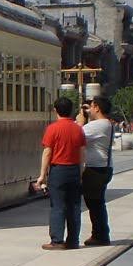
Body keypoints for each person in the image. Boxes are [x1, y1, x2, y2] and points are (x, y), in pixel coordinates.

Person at [35, 96, 86, 251]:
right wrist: (81, 171)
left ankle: (57, 240)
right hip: (74, 170)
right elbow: (82, 152)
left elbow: (47, 152)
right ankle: (73, 240)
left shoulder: (53, 128)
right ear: (71, 111)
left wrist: (42, 175)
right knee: (74, 206)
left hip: (58, 170)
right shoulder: (78, 129)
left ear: (55, 110)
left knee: (58, 206)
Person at [79, 96, 114, 246]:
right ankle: (100, 233)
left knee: (95, 203)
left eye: (91, 107)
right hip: (102, 167)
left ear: (97, 108)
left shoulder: (98, 125)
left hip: (96, 169)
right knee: (96, 203)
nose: (90, 110)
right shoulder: (105, 124)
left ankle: (100, 235)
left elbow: (76, 135)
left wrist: (80, 121)